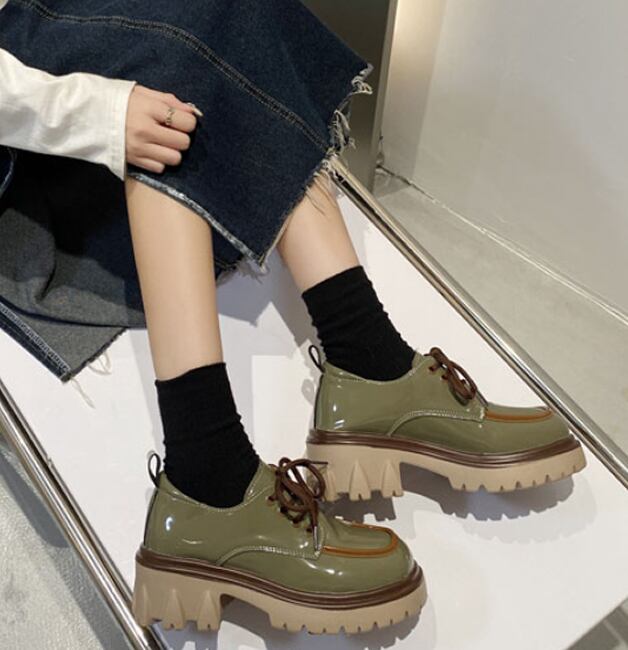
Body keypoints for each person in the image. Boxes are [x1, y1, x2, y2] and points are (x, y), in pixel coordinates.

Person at [0, 0, 585, 636]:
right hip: (25, 141)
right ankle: (207, 470)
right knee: (168, 69)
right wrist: (99, 115)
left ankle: (369, 360)